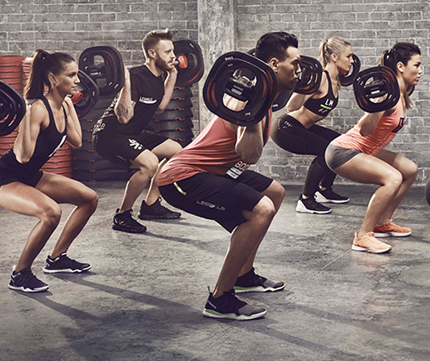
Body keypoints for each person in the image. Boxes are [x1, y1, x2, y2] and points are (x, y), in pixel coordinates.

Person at [158, 32, 301, 320]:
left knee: (274, 192)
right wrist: (251, 116)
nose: (298, 71)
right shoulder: (246, 102)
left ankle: (244, 274)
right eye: (294, 64)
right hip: (181, 178)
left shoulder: (265, 98)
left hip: (214, 172)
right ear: (274, 64)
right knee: (261, 210)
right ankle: (220, 298)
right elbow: (248, 155)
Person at [0, 50, 98, 293]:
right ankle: (20, 273)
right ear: (54, 79)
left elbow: (76, 141)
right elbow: (23, 157)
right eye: (72, 75)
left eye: (77, 74)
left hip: (31, 176)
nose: (77, 80)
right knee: (51, 213)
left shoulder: (64, 104)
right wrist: (24, 118)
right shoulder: (38, 110)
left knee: (89, 198)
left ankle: (56, 259)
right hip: (7, 177)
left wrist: (70, 105)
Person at [325, 42, 422, 253]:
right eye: (417, 65)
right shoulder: (386, 95)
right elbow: (364, 130)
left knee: (409, 170)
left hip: (366, 150)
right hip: (343, 151)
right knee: (393, 177)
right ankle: (363, 236)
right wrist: (376, 105)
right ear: (401, 66)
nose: (420, 70)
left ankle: (383, 222)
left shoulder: (402, 92)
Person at [93, 29, 183, 234]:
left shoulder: (159, 77)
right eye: (168, 52)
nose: (173, 56)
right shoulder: (136, 77)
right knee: (149, 163)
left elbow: (160, 107)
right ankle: (122, 215)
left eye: (173, 51)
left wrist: (173, 75)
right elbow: (123, 117)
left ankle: (151, 205)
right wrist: (126, 81)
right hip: (109, 135)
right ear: (152, 54)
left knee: (176, 150)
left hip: (131, 134)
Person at [271, 37, 353, 214]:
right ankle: (306, 199)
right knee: (327, 150)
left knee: (340, 144)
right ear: (334, 56)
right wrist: (303, 87)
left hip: (301, 128)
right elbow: (291, 106)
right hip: (286, 128)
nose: (352, 61)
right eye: (349, 56)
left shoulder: (335, 82)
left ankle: (324, 190)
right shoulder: (319, 79)